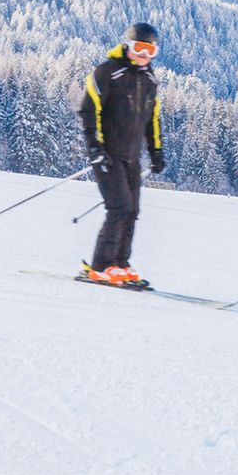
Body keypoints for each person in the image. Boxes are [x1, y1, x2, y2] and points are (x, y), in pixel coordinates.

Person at [76, 22, 166, 286]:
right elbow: (89, 111)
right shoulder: (107, 72)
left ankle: (119, 263)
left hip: (131, 157)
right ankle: (100, 266)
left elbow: (153, 119)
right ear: (127, 46)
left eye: (150, 51)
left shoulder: (150, 79)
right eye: (139, 48)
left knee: (132, 210)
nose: (143, 55)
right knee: (119, 208)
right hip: (108, 154)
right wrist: (95, 148)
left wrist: (156, 151)